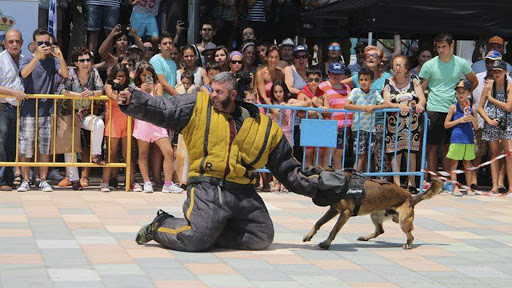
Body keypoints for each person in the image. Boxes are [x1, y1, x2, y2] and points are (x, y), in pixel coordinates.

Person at [117, 72, 345, 252]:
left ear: (233, 94)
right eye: (212, 90)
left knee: (261, 237)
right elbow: (164, 109)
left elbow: (287, 169)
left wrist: (320, 187)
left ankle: (210, 230)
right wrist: (133, 99)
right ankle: (161, 225)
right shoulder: (198, 106)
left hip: (242, 191)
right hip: (207, 187)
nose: (213, 95)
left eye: (219, 91)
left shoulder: (263, 126)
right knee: (195, 239)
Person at [419, 34, 478, 182]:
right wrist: (421, 102)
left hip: (454, 110)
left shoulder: (461, 63)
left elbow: (474, 81)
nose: (441, 50)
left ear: (451, 46)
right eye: (438, 47)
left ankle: (447, 181)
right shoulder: (429, 65)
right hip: (433, 109)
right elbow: (420, 87)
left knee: (449, 147)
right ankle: (434, 180)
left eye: (444, 46)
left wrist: (465, 97)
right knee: (432, 147)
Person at [17, 29, 69, 193]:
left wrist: (60, 56)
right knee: (26, 148)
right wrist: (37, 57)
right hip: (28, 111)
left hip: (46, 111)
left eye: (47, 43)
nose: (44, 46)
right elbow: (24, 73)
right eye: (40, 43)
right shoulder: (26, 59)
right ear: (34, 44)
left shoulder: (53, 62)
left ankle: (43, 179)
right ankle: (25, 180)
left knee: (44, 149)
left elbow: (65, 74)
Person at [57, 47, 105, 190]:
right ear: (76, 63)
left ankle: (96, 155)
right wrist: (78, 95)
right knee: (69, 146)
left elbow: (101, 89)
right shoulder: (70, 72)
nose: (86, 63)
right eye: (82, 60)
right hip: (69, 113)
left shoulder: (94, 72)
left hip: (85, 114)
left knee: (99, 123)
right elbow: (62, 91)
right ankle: (74, 179)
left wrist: (92, 93)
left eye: (88, 60)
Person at [131, 63, 181, 193]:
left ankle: (168, 183)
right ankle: (147, 182)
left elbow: (159, 102)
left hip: (157, 124)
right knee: (143, 154)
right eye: (143, 75)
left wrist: (152, 90)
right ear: (139, 76)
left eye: (149, 75)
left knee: (168, 152)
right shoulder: (135, 89)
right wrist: (142, 91)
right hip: (142, 123)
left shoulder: (158, 86)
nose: (146, 78)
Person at [383, 55, 426, 193]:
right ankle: (396, 183)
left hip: (411, 122)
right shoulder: (388, 82)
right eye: (395, 65)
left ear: (406, 67)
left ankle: (411, 182)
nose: (398, 68)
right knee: (396, 153)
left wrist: (419, 105)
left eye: (401, 65)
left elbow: (422, 98)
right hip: (394, 122)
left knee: (411, 152)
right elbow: (386, 101)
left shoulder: (414, 80)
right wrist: (398, 106)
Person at [471, 50, 511, 190]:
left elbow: (508, 106)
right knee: (485, 153)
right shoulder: (482, 81)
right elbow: (477, 104)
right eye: (488, 61)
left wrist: (492, 99)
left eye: (499, 70)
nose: (496, 73)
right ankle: (484, 184)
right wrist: (484, 119)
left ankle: (504, 185)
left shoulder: (509, 83)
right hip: (485, 121)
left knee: (504, 154)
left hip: (504, 123)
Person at [345, 68, 388, 171]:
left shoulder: (374, 93)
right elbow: (346, 105)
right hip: (359, 128)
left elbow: (385, 104)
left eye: (366, 80)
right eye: (361, 79)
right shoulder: (355, 91)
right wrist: (364, 108)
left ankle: (364, 178)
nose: (363, 82)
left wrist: (374, 106)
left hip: (371, 129)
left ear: (371, 81)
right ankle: (355, 177)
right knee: (360, 156)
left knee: (368, 155)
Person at [101, 64, 136, 192]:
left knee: (128, 154)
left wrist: (121, 90)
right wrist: (116, 87)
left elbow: (127, 98)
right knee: (110, 153)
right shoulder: (108, 85)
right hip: (113, 122)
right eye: (118, 76)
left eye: (123, 76)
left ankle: (131, 182)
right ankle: (105, 181)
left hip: (126, 122)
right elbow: (113, 97)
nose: (121, 79)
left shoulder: (129, 87)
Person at [0, 29, 27, 191]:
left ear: (22, 43)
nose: (14, 44)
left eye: (17, 41)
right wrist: (14, 93)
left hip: (19, 109)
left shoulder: (25, 60)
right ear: (4, 43)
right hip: (2, 106)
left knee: (12, 144)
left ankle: (9, 179)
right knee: (1, 143)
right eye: (11, 41)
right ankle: (1, 178)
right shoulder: (0, 59)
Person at [444, 80, 479, 196]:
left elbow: (477, 127)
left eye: (463, 92)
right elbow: (446, 124)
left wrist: (471, 118)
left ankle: (468, 187)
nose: (460, 94)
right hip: (456, 139)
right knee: (454, 163)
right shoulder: (453, 107)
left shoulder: (472, 107)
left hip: (468, 139)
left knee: (467, 163)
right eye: (458, 92)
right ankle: (455, 187)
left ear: (468, 92)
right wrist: (459, 120)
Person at [318, 63, 352, 169]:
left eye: (339, 74)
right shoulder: (322, 86)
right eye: (333, 73)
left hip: (345, 128)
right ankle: (325, 180)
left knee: (338, 157)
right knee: (327, 156)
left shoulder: (347, 88)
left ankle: (338, 181)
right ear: (328, 74)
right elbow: (316, 100)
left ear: (343, 75)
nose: (336, 76)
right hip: (330, 127)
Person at [149, 32, 178, 97]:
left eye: (170, 43)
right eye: (165, 43)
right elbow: (163, 85)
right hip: (160, 101)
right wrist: (181, 98)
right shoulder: (155, 60)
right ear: (159, 46)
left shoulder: (173, 63)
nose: (168, 46)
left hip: (172, 100)